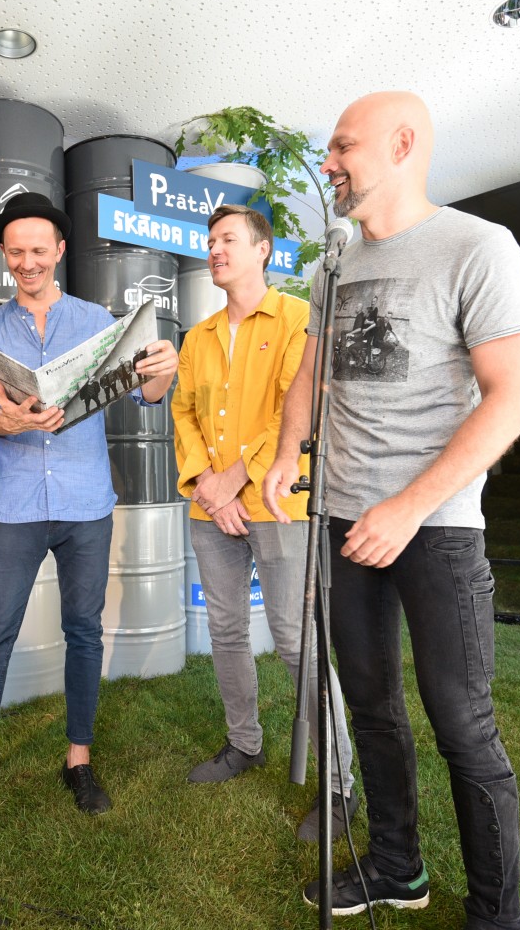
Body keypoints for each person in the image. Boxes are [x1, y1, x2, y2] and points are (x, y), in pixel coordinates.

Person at [262, 92, 520, 928]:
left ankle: (497, 914)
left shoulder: (479, 247)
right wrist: (286, 452)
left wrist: (410, 508)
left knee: (462, 724)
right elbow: (312, 375)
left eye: (343, 146)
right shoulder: (333, 264)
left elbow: (510, 400)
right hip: (343, 523)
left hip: (436, 528)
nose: (329, 164)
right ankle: (396, 868)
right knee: (372, 709)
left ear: (403, 144)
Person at [0, 192, 178, 832]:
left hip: (86, 503)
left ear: (60, 251)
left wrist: (162, 371)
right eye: (16, 252)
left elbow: (147, 396)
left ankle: (79, 761)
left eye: (38, 250)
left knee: (84, 631)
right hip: (15, 505)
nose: (27, 262)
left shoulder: (97, 320)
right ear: (4, 254)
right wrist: (9, 419)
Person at [171, 203, 357, 843]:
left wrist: (236, 479)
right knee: (225, 632)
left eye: (228, 239)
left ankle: (340, 783)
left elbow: (292, 412)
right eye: (210, 241)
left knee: (296, 640)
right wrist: (208, 486)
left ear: (262, 251)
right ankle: (244, 744)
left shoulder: (299, 318)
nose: (215, 249)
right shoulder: (197, 338)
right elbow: (183, 416)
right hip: (212, 507)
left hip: (279, 503)